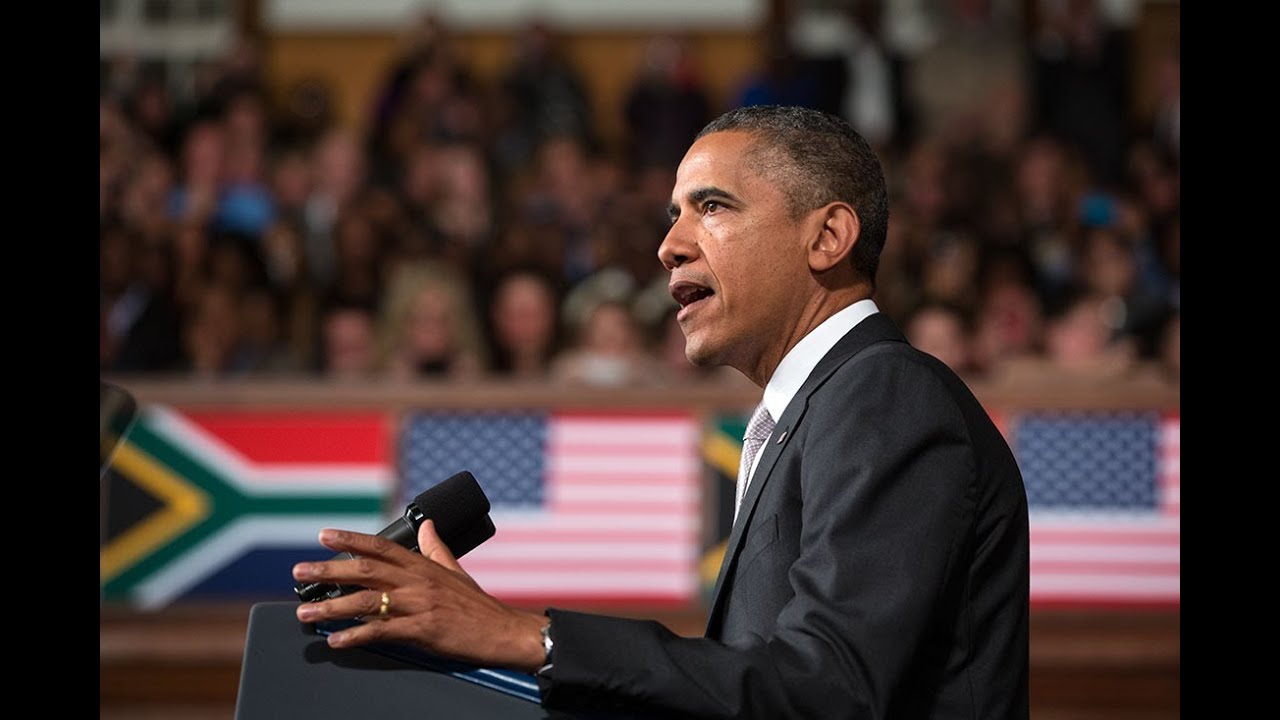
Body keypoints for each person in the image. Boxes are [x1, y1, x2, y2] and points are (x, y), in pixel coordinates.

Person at [292, 105, 1030, 718]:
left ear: (828, 236)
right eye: (674, 214)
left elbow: (829, 690)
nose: (669, 246)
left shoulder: (884, 394)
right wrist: (494, 640)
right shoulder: (818, 408)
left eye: (712, 207)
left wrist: (527, 638)